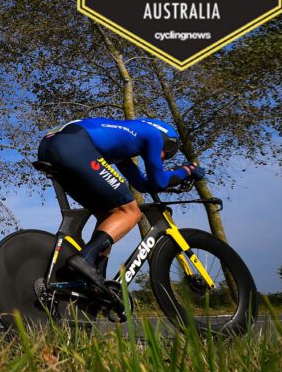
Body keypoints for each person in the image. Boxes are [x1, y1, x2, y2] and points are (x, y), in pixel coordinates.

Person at [37, 117, 204, 300]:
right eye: (167, 152)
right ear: (167, 140)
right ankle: (85, 259)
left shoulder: (123, 144)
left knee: (109, 214)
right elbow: (159, 181)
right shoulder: (154, 134)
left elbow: (142, 184)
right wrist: (187, 170)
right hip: (75, 145)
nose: (161, 157)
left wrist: (167, 177)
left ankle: (95, 279)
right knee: (131, 212)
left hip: (53, 146)